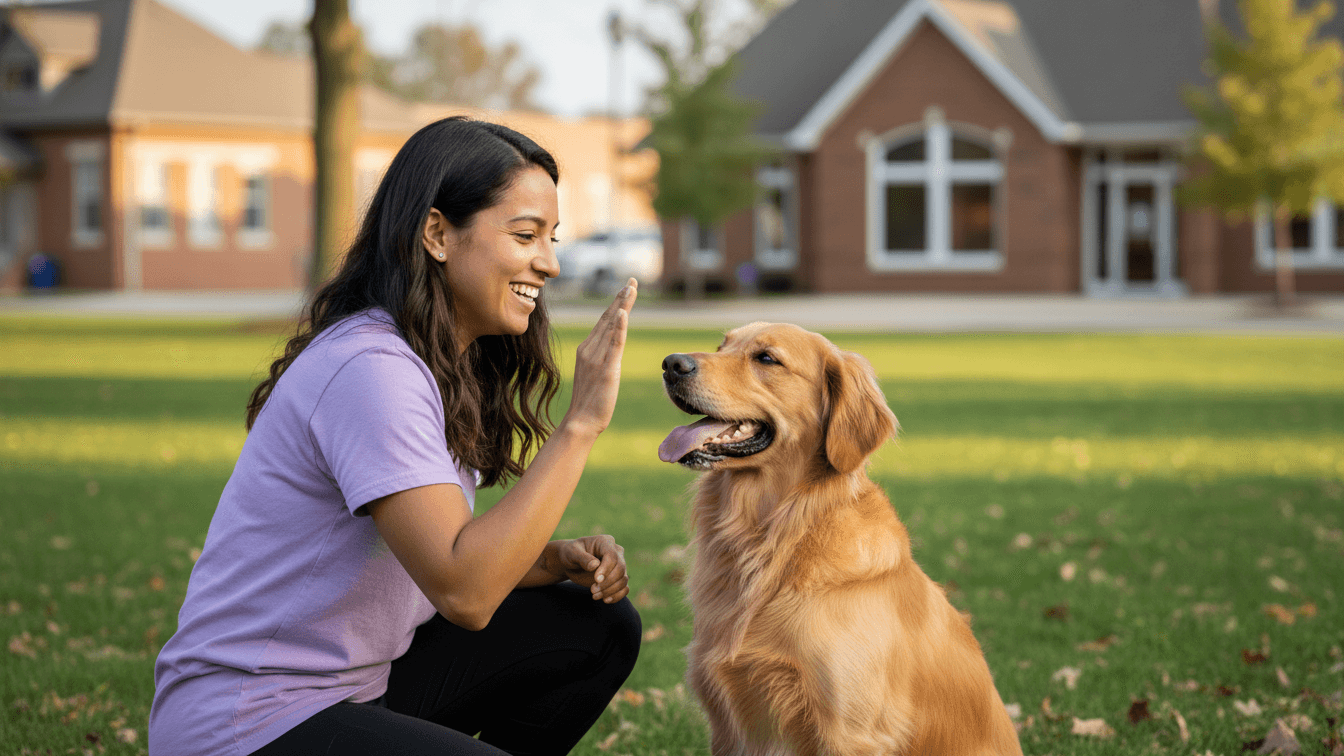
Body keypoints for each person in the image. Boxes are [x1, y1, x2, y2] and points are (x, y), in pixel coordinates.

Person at [149, 117, 642, 756]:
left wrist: (550, 561)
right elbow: (464, 590)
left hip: (352, 691)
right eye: (525, 235)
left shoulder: (432, 365)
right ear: (437, 233)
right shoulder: (371, 370)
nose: (547, 262)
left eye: (551, 237)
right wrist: (580, 426)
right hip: (245, 720)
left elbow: (442, 553)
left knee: (594, 624)